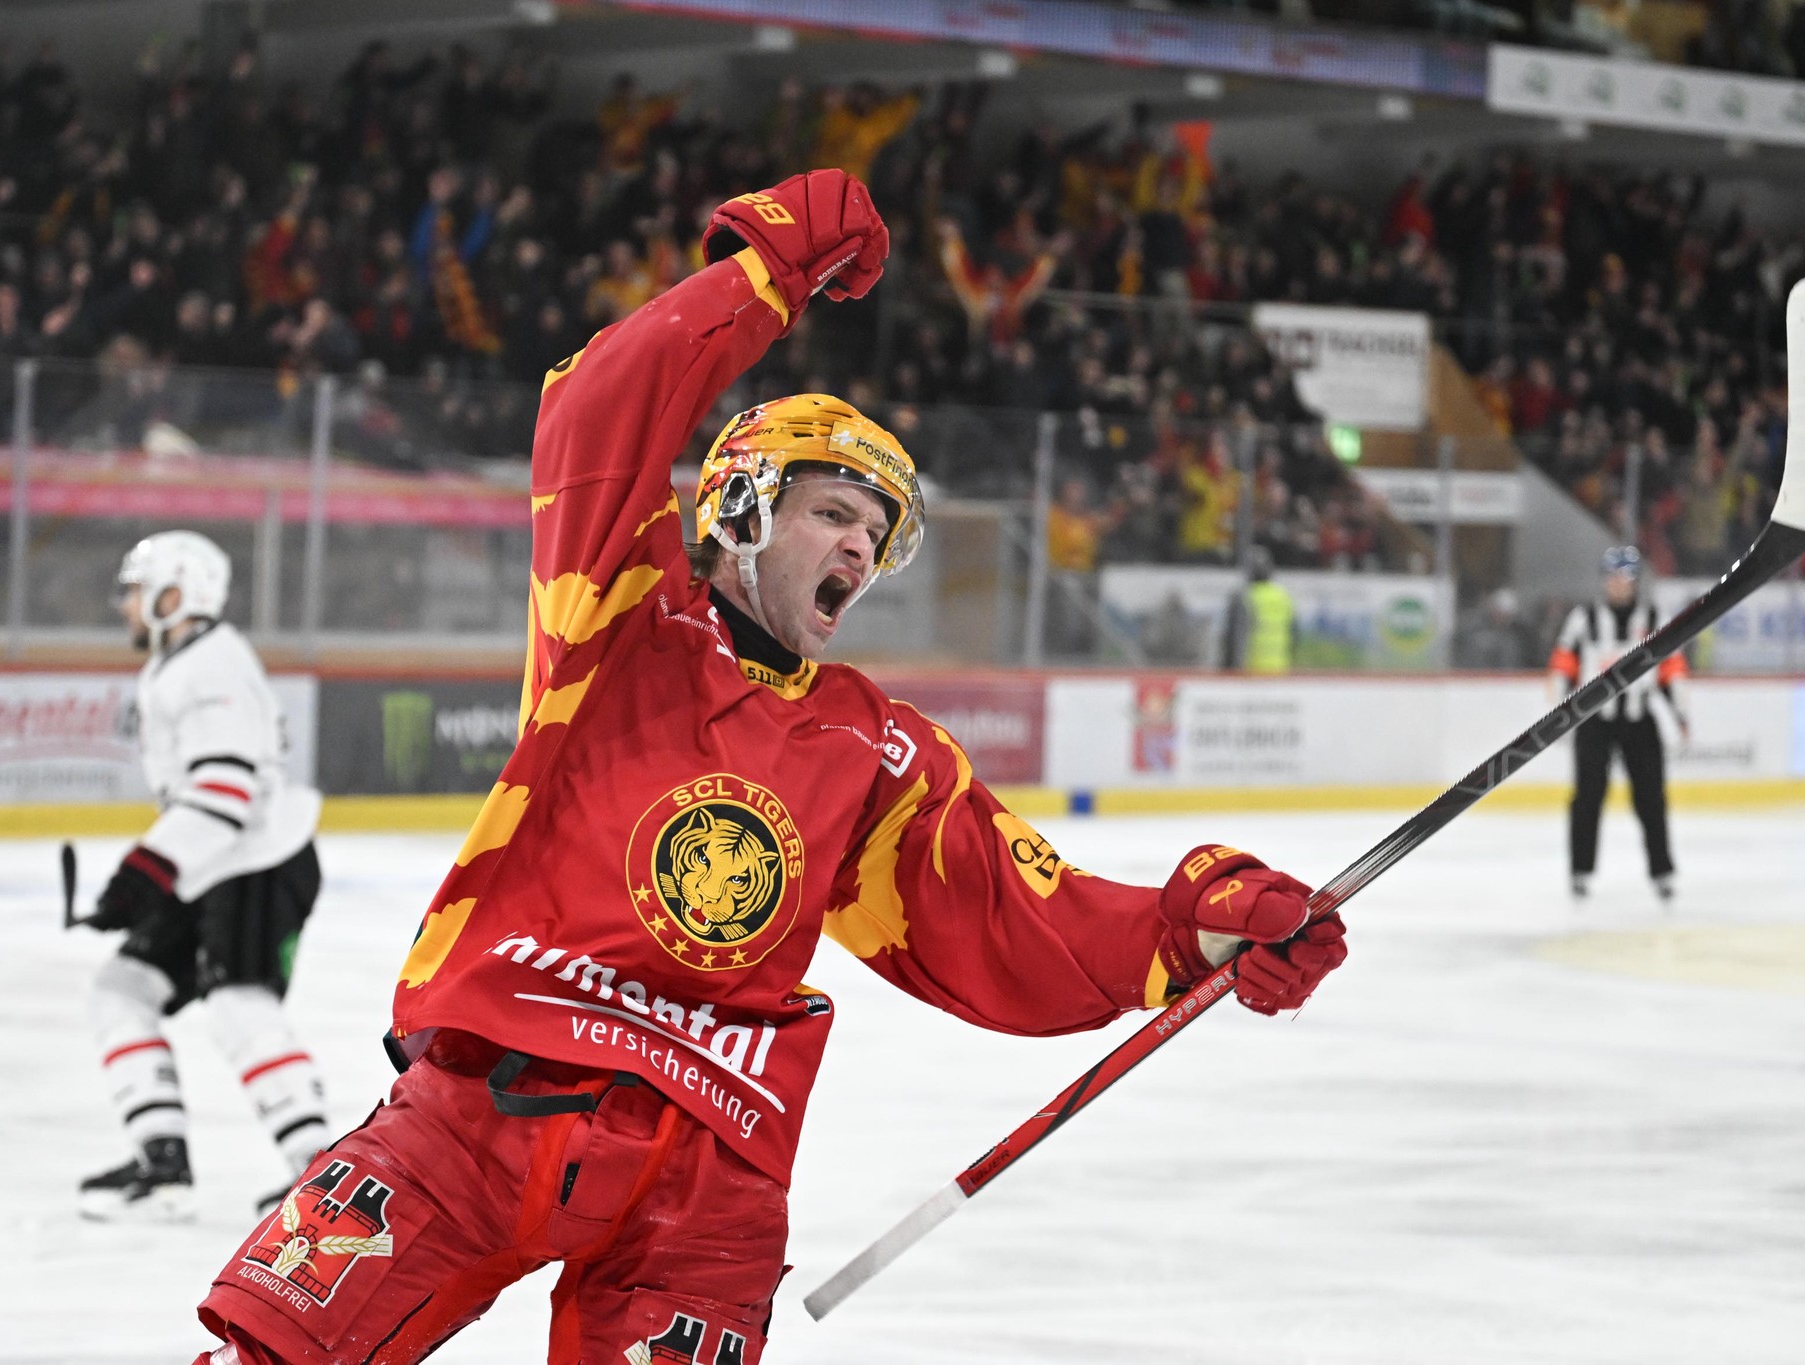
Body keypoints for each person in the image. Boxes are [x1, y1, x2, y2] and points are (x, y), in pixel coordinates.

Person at [187, 170, 1348, 1364]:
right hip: (482, 1104)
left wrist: (1196, 930)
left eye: (874, 535)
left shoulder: (877, 750)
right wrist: (762, 272)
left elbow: (1022, 925)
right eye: (833, 510)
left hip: (708, 1175)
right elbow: (595, 411)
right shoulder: (618, 620)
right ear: (738, 504)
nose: (859, 545)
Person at [79, 531, 329, 1221]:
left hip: (255, 861)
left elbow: (225, 791)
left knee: (239, 1005)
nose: (125, 604)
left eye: (135, 590)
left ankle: (320, 1172)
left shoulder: (211, 666)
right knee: (121, 991)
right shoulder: (178, 663)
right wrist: (149, 875)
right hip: (213, 864)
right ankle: (163, 1166)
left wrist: (142, 873)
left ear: (173, 594)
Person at [1548, 544, 1690, 902]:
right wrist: (1559, 710)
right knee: (1587, 798)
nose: (1618, 584)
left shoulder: (1654, 618)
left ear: (1636, 581)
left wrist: (1680, 713)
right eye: (1612, 577)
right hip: (1594, 722)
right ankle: (1580, 871)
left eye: (1625, 578)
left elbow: (1671, 670)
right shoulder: (1584, 618)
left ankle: (1662, 873)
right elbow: (1563, 663)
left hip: (1639, 720)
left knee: (1651, 799)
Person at [1224, 548, 1296, 673]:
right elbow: (1294, 635)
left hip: (1251, 669)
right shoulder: (1283, 596)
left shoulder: (1245, 597)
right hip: (1279, 668)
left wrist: (1232, 668)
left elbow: (1235, 638)